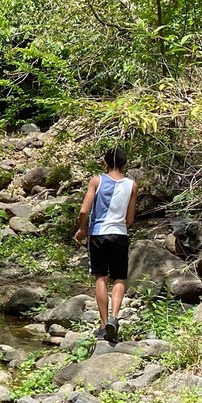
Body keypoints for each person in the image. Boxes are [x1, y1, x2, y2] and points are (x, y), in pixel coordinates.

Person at [73, 147, 138, 343]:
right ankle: (115, 318)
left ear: (105, 163)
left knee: (101, 277)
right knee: (119, 277)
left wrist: (82, 229)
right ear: (125, 164)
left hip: (99, 234)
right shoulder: (132, 185)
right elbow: (130, 218)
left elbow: (84, 210)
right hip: (120, 234)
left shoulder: (97, 180)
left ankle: (103, 325)